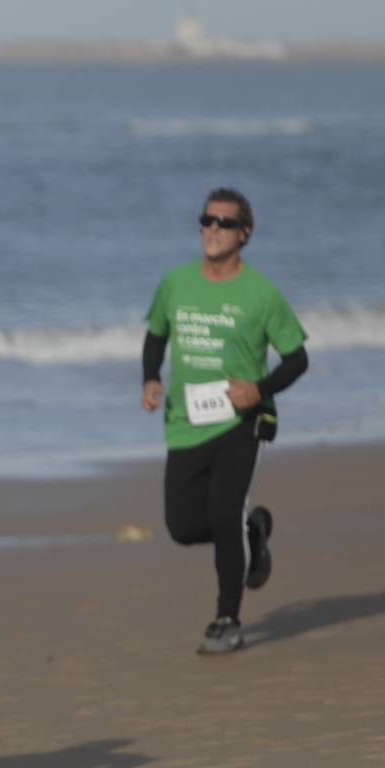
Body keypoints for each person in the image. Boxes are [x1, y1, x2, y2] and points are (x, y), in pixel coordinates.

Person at [141, 187, 308, 655]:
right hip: (185, 421)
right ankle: (253, 530)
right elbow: (155, 336)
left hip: (242, 422)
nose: (213, 229)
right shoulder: (175, 283)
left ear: (245, 233)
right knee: (182, 526)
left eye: (225, 223)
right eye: (207, 221)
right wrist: (151, 378)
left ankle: (227, 620)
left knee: (221, 512)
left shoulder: (261, 294)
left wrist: (260, 389)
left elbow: (297, 359)